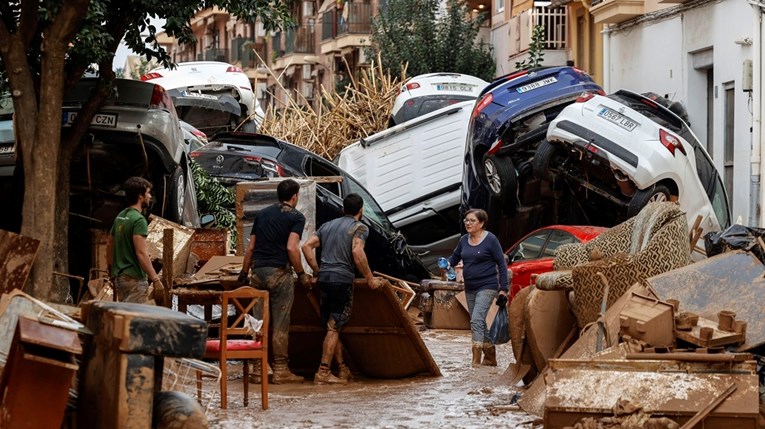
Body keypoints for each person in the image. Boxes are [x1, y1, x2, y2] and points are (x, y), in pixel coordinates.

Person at [301, 193, 384, 384]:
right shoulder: (359, 227)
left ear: (343, 209)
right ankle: (323, 372)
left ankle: (342, 369)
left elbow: (306, 247)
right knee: (334, 326)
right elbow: (357, 251)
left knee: (331, 326)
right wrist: (370, 279)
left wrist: (317, 271)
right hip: (341, 280)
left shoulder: (327, 226)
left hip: (325, 280)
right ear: (360, 210)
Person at [238, 179, 310, 384]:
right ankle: (280, 370)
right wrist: (301, 273)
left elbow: (250, 248)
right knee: (280, 323)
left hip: (257, 273)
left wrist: (244, 272)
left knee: (258, 322)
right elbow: (291, 248)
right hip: (279, 274)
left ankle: (258, 369)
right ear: (294, 196)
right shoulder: (296, 217)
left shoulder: (262, 214)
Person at [445, 208, 509, 367]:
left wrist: (503, 289)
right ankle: (491, 357)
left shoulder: (491, 240)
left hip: (487, 286)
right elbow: (454, 258)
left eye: (472, 220)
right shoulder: (464, 240)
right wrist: (447, 264)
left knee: (477, 319)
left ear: (481, 223)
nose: (468, 223)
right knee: (478, 323)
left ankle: (476, 360)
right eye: (466, 220)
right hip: (470, 287)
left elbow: (501, 264)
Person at [107, 176, 163, 304]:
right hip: (135, 279)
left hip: (120, 278)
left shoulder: (121, 216)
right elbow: (141, 253)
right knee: (134, 319)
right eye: (148, 193)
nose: (150, 196)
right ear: (140, 196)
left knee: (125, 316)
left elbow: (110, 243)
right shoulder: (139, 220)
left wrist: (111, 269)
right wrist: (155, 279)